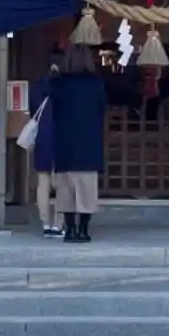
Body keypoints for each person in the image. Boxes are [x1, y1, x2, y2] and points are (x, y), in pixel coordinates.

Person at [48, 43, 107, 243]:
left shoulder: (60, 83)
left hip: (65, 142)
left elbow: (52, 105)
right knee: (87, 190)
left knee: (66, 190)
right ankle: (83, 230)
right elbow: (102, 108)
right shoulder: (96, 84)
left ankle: (70, 230)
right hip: (89, 142)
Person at [28, 48, 64, 238]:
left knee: (43, 182)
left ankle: (45, 223)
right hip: (62, 137)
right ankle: (58, 223)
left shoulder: (36, 87)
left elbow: (32, 111)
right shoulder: (65, 87)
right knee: (61, 184)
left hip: (42, 136)